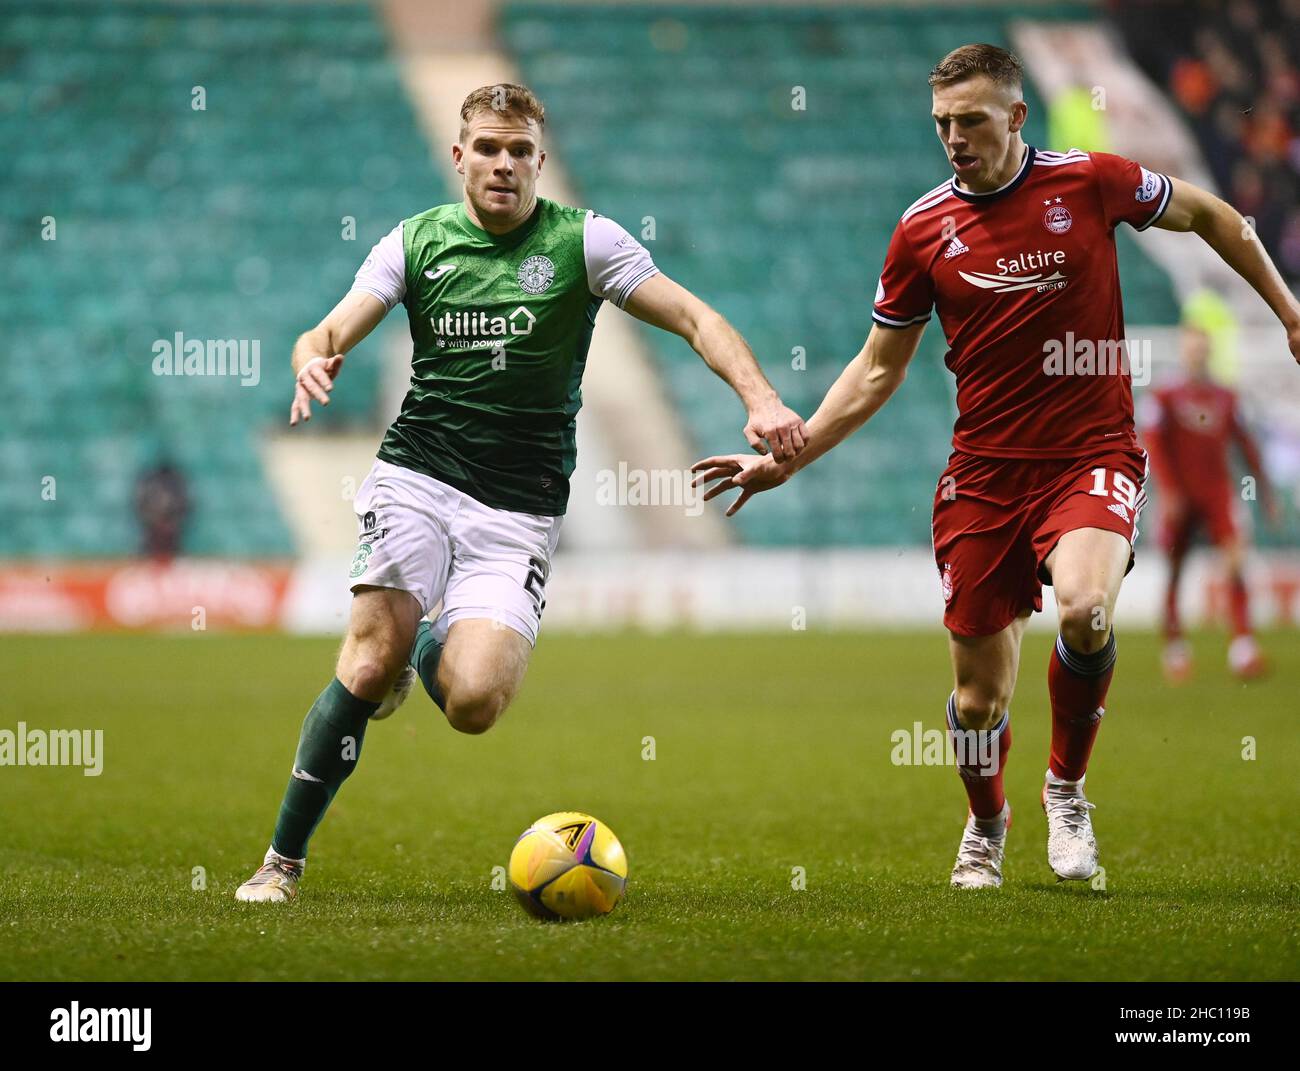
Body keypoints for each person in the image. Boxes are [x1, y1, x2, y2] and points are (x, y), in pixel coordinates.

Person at [694, 45, 1300, 889]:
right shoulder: (921, 230)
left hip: (1092, 455)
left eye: (971, 121)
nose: (953, 138)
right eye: (942, 122)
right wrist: (791, 462)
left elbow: (1215, 217)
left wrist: (1289, 312)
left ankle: (1067, 788)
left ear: (1017, 117)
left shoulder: (1092, 182)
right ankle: (986, 823)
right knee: (979, 702)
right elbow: (877, 369)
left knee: (1086, 609)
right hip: (983, 478)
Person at [236, 84, 806, 902]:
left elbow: (693, 317)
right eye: (489, 148)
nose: (504, 164)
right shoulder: (415, 242)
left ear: (541, 160)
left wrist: (760, 397)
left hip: (519, 508)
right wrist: (313, 357)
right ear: (459, 154)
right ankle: (280, 863)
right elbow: (325, 330)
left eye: (521, 151)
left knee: (473, 703)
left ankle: (420, 647)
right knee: (364, 661)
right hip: (418, 477)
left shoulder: (584, 243)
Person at [1142, 324, 1278, 681]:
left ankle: (1243, 648)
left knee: (1235, 560)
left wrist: (1263, 491)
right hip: (1180, 496)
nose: (1197, 353)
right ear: (1183, 351)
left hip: (1218, 492)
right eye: (1191, 347)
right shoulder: (1164, 395)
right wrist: (1168, 491)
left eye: (1202, 347)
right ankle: (1175, 648)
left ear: (1209, 351)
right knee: (1175, 569)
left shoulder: (1226, 396)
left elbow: (1246, 445)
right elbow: (1153, 444)